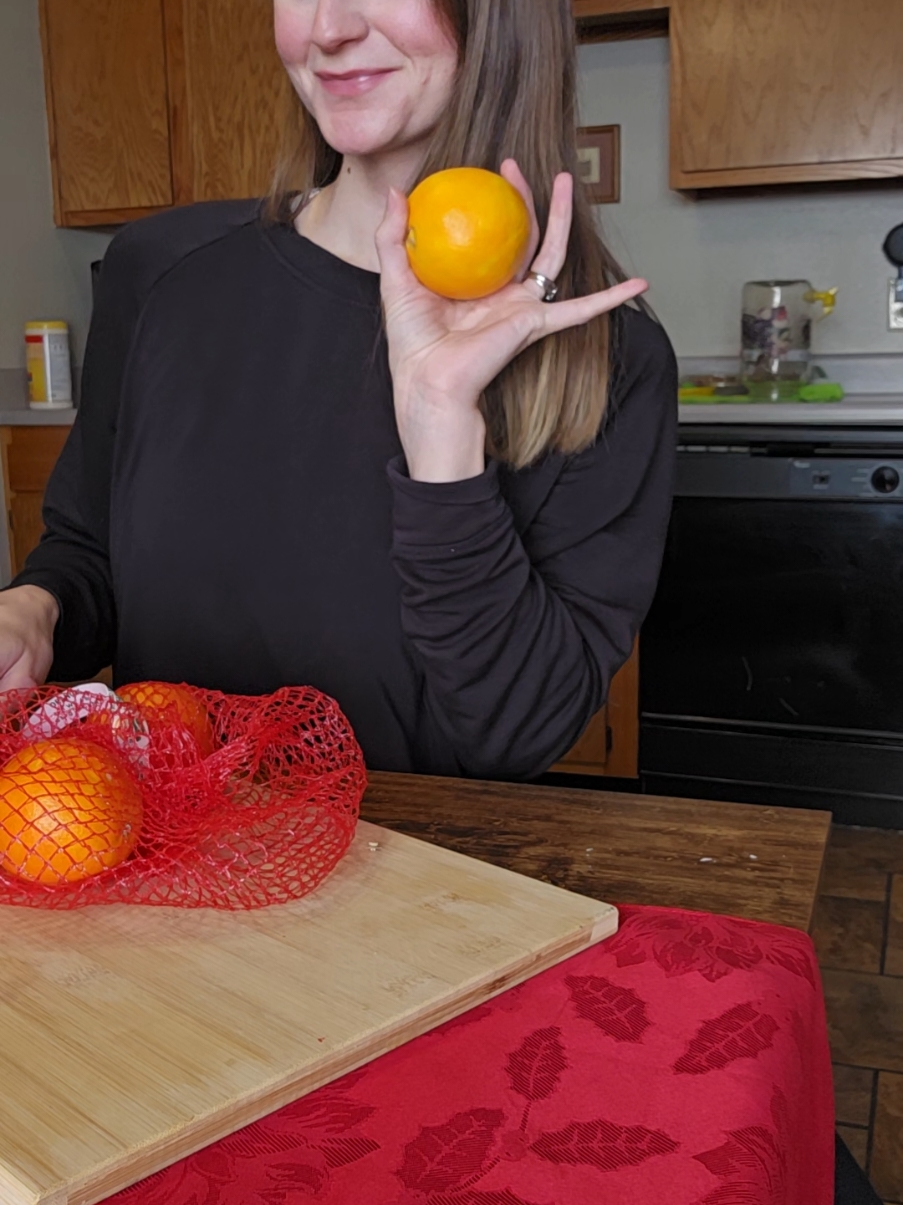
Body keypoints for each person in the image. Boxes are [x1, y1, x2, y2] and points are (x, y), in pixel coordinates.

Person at [0, 0, 677, 780]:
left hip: (417, 890)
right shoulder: (159, 270)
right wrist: (36, 608)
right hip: (163, 871)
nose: (328, 29)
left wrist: (442, 432)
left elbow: (517, 733)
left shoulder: (607, 359)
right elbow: (89, 553)